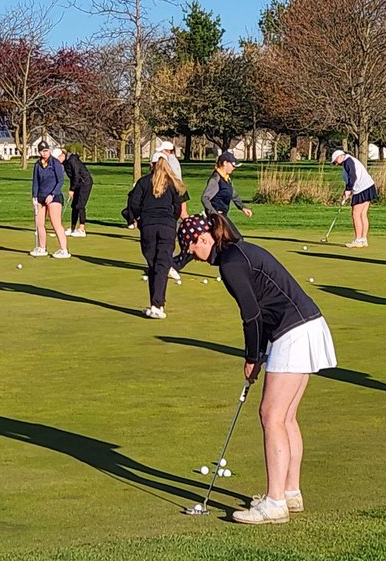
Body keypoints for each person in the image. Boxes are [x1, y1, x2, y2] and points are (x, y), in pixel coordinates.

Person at [178, 213, 336, 524]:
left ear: (203, 239)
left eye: (190, 250)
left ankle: (275, 502)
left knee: (271, 415)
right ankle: (290, 492)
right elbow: (260, 313)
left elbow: (251, 316)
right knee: (286, 416)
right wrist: (261, 354)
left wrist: (251, 357)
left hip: (294, 331)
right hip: (305, 325)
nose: (193, 257)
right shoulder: (239, 252)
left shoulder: (230, 263)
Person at [126, 153, 184, 318]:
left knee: (155, 266)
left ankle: (156, 305)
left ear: (151, 165)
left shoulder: (143, 182)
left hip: (148, 227)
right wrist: (171, 221)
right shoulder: (172, 183)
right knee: (161, 266)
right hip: (166, 227)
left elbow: (133, 204)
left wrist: (134, 219)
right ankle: (157, 305)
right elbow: (178, 208)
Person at [30, 142, 69, 259]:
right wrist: (34, 196)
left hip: (54, 196)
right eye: (42, 151)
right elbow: (35, 182)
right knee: (39, 223)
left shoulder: (55, 163)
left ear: (50, 151)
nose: (44, 153)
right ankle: (42, 248)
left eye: (46, 150)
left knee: (55, 223)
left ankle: (64, 250)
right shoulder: (38, 165)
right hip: (41, 197)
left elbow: (60, 181)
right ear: (39, 152)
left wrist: (52, 194)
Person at [330, 149, 376, 248]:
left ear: (340, 157)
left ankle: (358, 240)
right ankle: (363, 239)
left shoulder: (347, 161)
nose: (336, 164)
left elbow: (353, 176)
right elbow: (351, 179)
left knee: (356, 214)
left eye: (335, 161)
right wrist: (348, 191)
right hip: (367, 187)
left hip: (362, 189)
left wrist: (348, 189)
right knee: (363, 214)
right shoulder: (348, 161)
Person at [201, 152, 253, 236]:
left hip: (223, 216)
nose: (234, 168)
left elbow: (233, 194)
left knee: (234, 238)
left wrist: (242, 207)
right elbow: (205, 198)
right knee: (235, 238)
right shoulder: (216, 179)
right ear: (225, 163)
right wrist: (214, 214)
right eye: (233, 165)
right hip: (217, 218)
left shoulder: (227, 178)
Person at [54, 148, 93, 237]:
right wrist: (72, 188)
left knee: (80, 205)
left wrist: (72, 189)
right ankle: (72, 229)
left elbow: (76, 175)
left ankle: (82, 230)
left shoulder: (72, 160)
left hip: (85, 183)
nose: (57, 161)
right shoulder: (65, 162)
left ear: (62, 155)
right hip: (78, 183)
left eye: (57, 159)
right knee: (74, 206)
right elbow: (72, 178)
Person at [159, 141, 189, 218]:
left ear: (168, 151)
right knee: (183, 213)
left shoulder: (169, 160)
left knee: (182, 213)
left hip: (176, 188)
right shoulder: (173, 159)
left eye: (162, 151)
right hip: (179, 187)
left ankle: (192, 227)